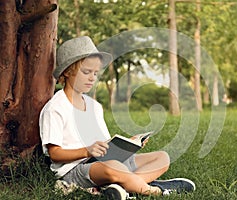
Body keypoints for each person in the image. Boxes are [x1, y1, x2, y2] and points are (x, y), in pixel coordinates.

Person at [39, 36, 195, 199]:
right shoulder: (55, 108)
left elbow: (105, 144)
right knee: (113, 168)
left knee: (162, 157)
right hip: (77, 169)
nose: (92, 78)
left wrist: (129, 144)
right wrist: (87, 151)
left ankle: (121, 188)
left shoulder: (94, 106)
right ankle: (155, 190)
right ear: (67, 72)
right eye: (86, 72)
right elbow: (55, 154)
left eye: (95, 73)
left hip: (107, 162)